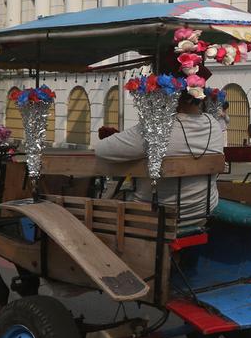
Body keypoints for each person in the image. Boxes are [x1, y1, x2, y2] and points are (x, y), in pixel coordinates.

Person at [96, 83, 225, 233]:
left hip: (156, 215)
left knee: (103, 204)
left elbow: (101, 149)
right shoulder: (214, 125)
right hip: (201, 214)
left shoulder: (156, 127)